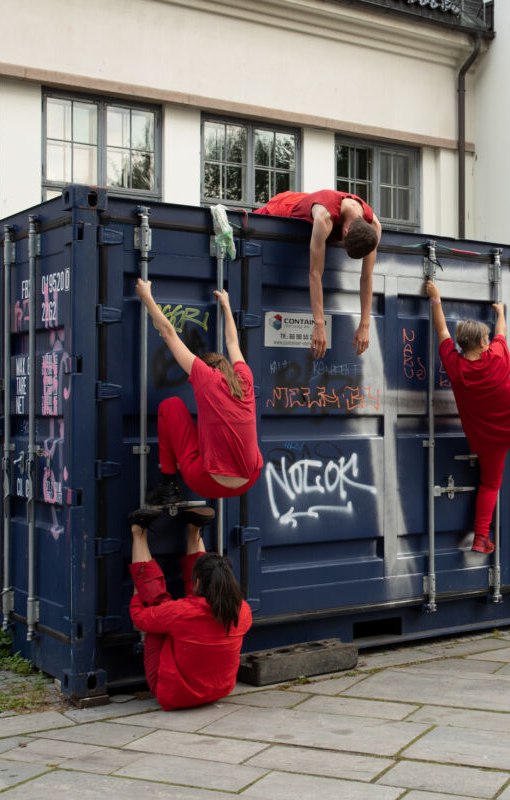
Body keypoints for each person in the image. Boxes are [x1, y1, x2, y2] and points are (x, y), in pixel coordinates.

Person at [426, 279, 510, 554]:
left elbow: (441, 331)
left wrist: (435, 298)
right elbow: (501, 333)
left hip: (488, 441)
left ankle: (481, 537)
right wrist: (500, 312)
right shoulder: (497, 358)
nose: (490, 341)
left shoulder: (455, 367)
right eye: (486, 339)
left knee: (489, 484)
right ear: (480, 342)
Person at [137, 279, 262, 507]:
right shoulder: (245, 379)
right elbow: (232, 342)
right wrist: (226, 304)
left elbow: (168, 334)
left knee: (170, 406)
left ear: (207, 368)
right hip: (248, 481)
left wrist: (146, 296)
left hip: (206, 482)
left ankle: (168, 486)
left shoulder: (205, 377)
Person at [128, 507, 253, 710]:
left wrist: (137, 592)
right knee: (180, 616)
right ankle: (194, 529)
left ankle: (138, 533)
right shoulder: (243, 611)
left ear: (196, 580)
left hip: (174, 695)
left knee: (158, 609)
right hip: (220, 689)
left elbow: (140, 618)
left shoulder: (182, 612)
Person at [254, 189, 382, 359]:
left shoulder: (374, 226)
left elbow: (366, 277)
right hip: (289, 207)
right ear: (344, 234)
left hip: (315, 199)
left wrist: (365, 325)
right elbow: (315, 274)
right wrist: (319, 324)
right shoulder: (323, 219)